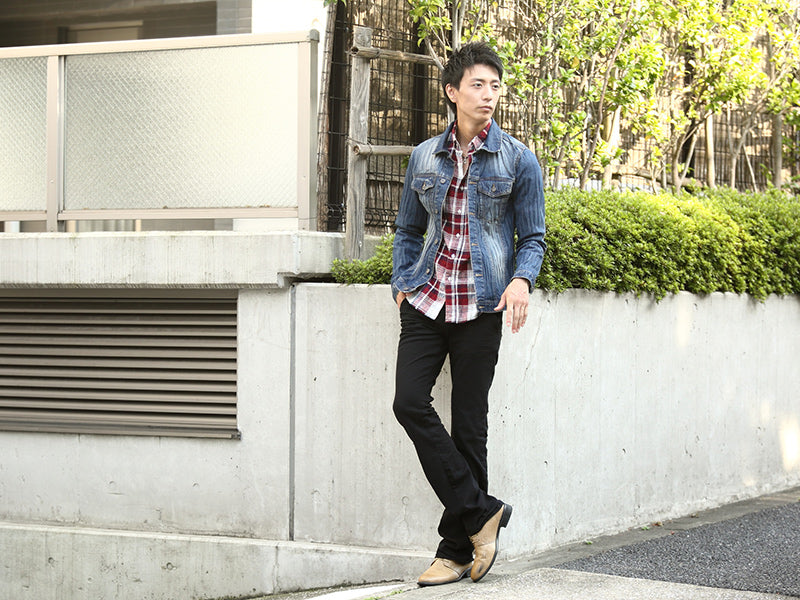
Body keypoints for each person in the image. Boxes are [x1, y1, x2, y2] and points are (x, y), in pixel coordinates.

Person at [390, 42, 546, 586]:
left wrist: (522, 279)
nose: (488, 94)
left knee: (469, 425)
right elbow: (407, 229)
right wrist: (401, 283)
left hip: (481, 305)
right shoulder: (423, 157)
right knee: (409, 402)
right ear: (452, 92)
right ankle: (483, 513)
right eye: (477, 84)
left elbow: (533, 237)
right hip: (427, 300)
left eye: (495, 85)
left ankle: (455, 549)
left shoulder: (518, 159)